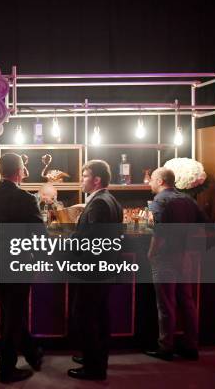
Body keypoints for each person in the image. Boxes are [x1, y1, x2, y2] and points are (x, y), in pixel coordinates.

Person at [0, 153, 45, 384]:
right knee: (13, 317)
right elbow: (38, 235)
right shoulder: (26, 198)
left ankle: (33, 353)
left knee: (11, 314)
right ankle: (6, 370)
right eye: (24, 169)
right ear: (19, 171)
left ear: (0, 170)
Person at [68, 160, 122, 381]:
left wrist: (68, 242)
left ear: (96, 179)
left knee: (85, 316)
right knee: (99, 316)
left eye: (84, 175)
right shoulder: (111, 200)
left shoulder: (99, 203)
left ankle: (94, 368)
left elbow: (92, 239)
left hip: (93, 270)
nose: (81, 179)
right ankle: (97, 360)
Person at [144, 167, 205, 361]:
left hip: (165, 256)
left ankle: (166, 347)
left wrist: (151, 253)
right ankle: (191, 346)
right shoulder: (187, 199)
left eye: (152, 179)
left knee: (166, 304)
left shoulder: (159, 201)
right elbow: (203, 224)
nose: (149, 183)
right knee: (187, 302)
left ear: (161, 181)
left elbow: (158, 232)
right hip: (185, 255)